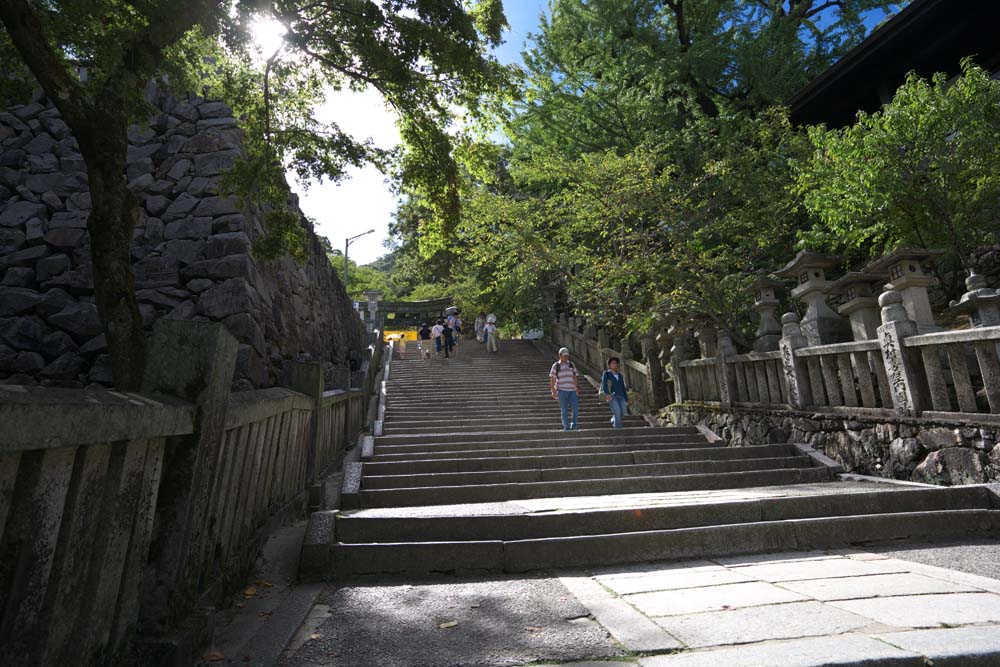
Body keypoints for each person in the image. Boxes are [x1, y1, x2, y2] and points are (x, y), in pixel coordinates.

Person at [549, 347, 580, 431]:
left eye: (567, 356)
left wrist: (577, 387)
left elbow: (574, 377)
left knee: (575, 408)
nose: (566, 357)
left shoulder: (571, 364)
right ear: (559, 355)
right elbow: (552, 379)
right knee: (564, 410)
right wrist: (553, 391)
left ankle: (574, 424)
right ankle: (566, 426)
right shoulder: (556, 366)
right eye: (564, 356)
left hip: (572, 390)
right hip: (561, 390)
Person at [599, 357, 629, 429]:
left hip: (621, 396)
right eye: (612, 363)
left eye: (615, 363)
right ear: (609, 365)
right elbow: (604, 385)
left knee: (623, 411)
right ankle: (618, 428)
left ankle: (613, 419)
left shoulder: (620, 375)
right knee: (617, 411)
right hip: (612, 396)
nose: (614, 364)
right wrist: (607, 394)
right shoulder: (606, 374)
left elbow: (623, 387)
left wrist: (626, 399)